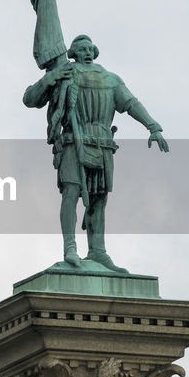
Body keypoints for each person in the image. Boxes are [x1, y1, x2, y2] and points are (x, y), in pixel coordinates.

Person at [23, 34, 168, 272]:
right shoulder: (65, 74)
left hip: (103, 144)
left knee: (99, 199)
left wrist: (153, 127)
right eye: (82, 49)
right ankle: (70, 248)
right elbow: (30, 98)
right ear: (73, 53)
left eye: (90, 48)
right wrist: (51, 77)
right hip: (73, 141)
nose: (87, 52)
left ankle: (97, 251)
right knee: (71, 191)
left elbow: (131, 104)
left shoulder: (111, 79)